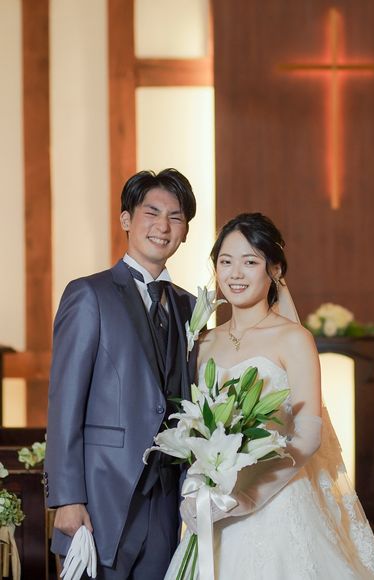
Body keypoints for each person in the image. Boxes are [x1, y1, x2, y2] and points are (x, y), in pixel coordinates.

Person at [171, 213, 374, 579]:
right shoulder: (204, 342)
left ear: (275, 270)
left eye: (250, 262)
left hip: (280, 500)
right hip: (217, 502)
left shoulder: (294, 339)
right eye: (226, 262)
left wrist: (250, 496)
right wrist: (198, 492)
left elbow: (308, 434)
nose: (235, 274)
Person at [45, 169, 198, 579]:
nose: (163, 226)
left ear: (185, 232)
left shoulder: (190, 307)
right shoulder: (89, 294)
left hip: (166, 500)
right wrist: (67, 498)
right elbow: (64, 402)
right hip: (101, 498)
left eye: (176, 217)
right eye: (152, 212)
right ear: (126, 219)